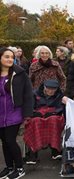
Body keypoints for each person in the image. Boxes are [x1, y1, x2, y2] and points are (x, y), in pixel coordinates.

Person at [0, 47, 33, 179]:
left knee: (10, 140)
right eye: (6, 57)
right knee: (4, 141)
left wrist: (27, 113)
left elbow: (28, 94)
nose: (10, 59)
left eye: (11, 57)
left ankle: (19, 168)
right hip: (1, 113)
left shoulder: (20, 73)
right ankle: (8, 167)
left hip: (14, 112)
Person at [24, 80, 64, 164]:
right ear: (44, 87)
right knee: (35, 121)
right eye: (49, 89)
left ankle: (55, 150)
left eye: (53, 89)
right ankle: (32, 153)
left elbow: (61, 107)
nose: (51, 91)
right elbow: (30, 106)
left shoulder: (60, 95)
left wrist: (54, 112)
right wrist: (34, 113)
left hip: (53, 114)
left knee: (53, 120)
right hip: (38, 113)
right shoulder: (34, 93)